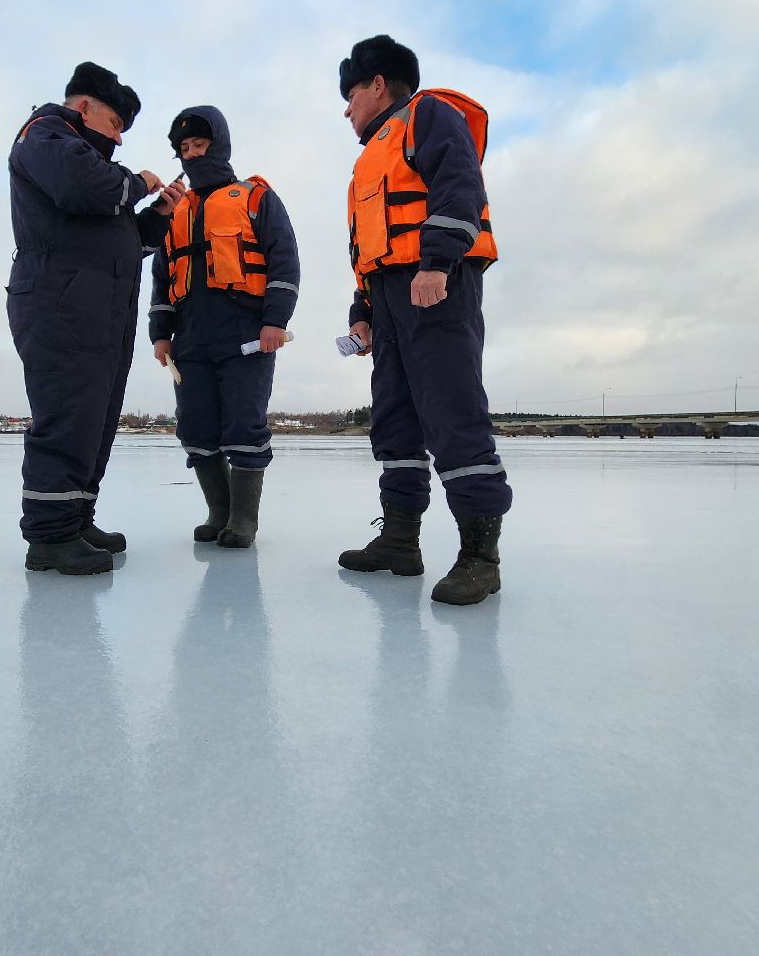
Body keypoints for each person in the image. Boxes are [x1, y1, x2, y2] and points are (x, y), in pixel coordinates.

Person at [334, 35, 513, 604]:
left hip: (434, 286)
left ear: (377, 84)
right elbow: (368, 247)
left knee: (454, 414)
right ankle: (399, 541)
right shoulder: (367, 161)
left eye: (351, 93)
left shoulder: (428, 115)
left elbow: (459, 184)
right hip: (388, 301)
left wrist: (437, 261)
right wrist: (363, 311)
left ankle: (481, 558)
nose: (347, 108)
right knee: (394, 422)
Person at [7, 61, 186, 575]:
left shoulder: (80, 157)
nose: (120, 142)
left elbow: (121, 242)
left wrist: (158, 216)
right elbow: (89, 187)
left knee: (95, 419)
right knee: (67, 413)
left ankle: (75, 515)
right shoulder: (43, 134)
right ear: (84, 108)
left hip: (97, 309)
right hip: (60, 304)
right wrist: (141, 183)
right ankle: (49, 536)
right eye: (115, 127)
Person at [148, 106, 300, 548]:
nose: (192, 154)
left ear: (219, 145)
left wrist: (276, 320)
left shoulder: (255, 197)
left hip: (246, 334)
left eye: (200, 145)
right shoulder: (175, 210)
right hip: (190, 337)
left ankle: (243, 519)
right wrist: (161, 333)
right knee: (194, 428)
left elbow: (284, 259)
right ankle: (218, 511)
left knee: (243, 426)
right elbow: (162, 277)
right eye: (185, 149)